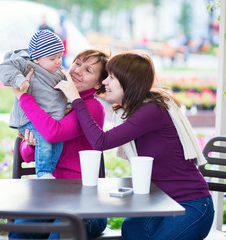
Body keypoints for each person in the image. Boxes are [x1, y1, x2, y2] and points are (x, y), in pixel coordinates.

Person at [55, 50, 215, 240]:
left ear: (129, 82)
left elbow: (101, 141)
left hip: (191, 203)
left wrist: (76, 99)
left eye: (112, 78)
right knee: (131, 228)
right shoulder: (134, 111)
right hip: (159, 201)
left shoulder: (152, 111)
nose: (105, 82)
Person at [11, 48, 110, 239]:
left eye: (88, 70)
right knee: (20, 231)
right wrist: (31, 144)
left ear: (99, 83)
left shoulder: (93, 107)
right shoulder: (54, 100)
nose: (78, 70)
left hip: (85, 204)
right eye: (78, 63)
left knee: (60, 232)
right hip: (51, 198)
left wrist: (24, 97)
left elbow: (53, 132)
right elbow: (27, 155)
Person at [0, 29, 66, 179]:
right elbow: (4, 68)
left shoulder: (59, 72)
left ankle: (50, 173)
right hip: (29, 119)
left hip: (49, 120)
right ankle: (43, 174)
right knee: (44, 137)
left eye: (60, 56)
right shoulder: (27, 65)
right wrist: (19, 80)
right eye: (53, 58)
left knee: (57, 142)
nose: (58, 61)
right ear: (36, 59)